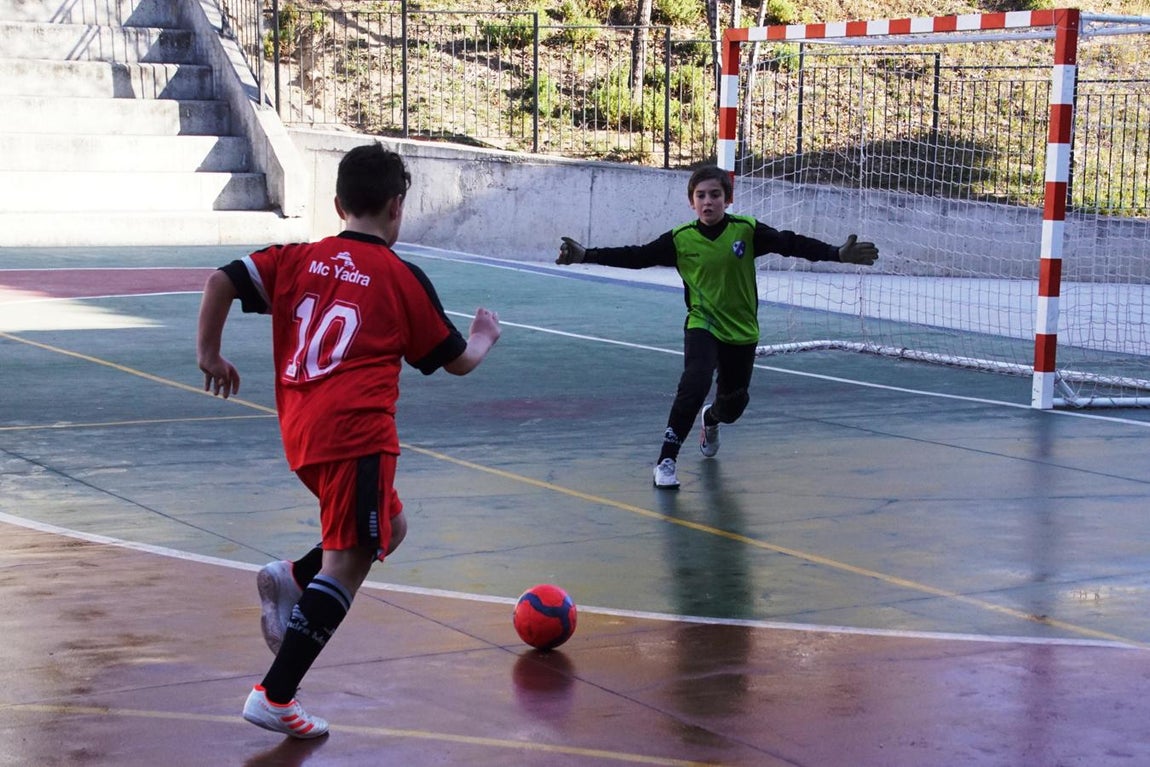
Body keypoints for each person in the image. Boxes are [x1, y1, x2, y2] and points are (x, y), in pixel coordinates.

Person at [197, 142, 501, 738]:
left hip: (303, 431)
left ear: (338, 203)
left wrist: (208, 352)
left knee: (392, 527)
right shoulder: (400, 277)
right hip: (358, 434)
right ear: (398, 207)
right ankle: (274, 694)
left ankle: (291, 578)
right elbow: (457, 361)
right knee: (350, 563)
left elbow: (222, 280)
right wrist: (485, 335)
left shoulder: (298, 257)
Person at [555, 164, 877, 489]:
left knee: (733, 406)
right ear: (691, 202)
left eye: (715, 195)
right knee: (693, 383)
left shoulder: (746, 230)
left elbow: (790, 243)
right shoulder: (681, 239)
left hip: (741, 330)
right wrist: (586, 255)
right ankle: (666, 459)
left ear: (727, 199)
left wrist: (837, 253)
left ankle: (711, 419)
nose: (708, 202)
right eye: (701, 196)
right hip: (702, 323)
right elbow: (636, 256)